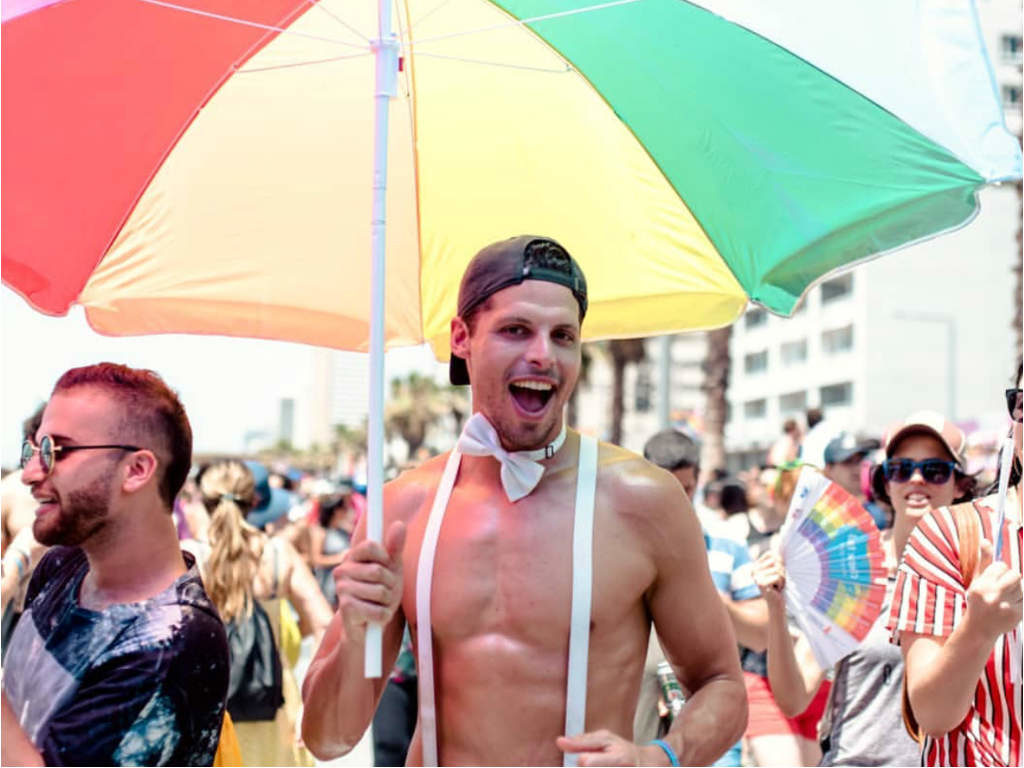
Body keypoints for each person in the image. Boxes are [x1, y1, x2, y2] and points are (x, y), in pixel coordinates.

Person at [302, 235, 747, 766]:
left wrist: (662, 756)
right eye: (516, 330)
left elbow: (722, 684)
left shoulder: (644, 500)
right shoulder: (401, 510)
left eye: (563, 336)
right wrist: (356, 633)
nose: (543, 354)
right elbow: (328, 740)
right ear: (462, 338)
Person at [1, 363, 228, 766]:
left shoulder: (172, 638)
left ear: (136, 470)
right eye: (32, 451)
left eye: (56, 450)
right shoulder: (62, 566)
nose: (31, 474)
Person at [754, 410, 975, 766]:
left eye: (935, 470)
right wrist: (776, 610)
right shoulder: (855, 571)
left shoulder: (980, 578)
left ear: (961, 484)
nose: (916, 480)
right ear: (886, 483)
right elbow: (794, 697)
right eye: (901, 469)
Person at [889, 370, 1023, 766]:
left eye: (934, 470)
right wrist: (977, 629)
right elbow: (932, 714)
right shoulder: (951, 534)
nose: (916, 480)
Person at [184, 459, 334, 767]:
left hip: (206, 710)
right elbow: (326, 624)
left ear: (204, 501)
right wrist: (313, 703)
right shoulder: (278, 553)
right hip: (273, 705)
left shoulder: (188, 555)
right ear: (254, 502)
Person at [635, 428, 767, 767]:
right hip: (640, 724)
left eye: (686, 488)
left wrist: (704, 597)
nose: (676, 499)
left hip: (710, 722)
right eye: (666, 487)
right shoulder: (622, 548)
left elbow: (761, 634)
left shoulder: (726, 543)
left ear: (697, 482)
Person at [823, 432, 887, 530]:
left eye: (859, 461)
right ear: (829, 469)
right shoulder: (812, 511)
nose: (856, 468)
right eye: (847, 461)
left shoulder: (874, 517)